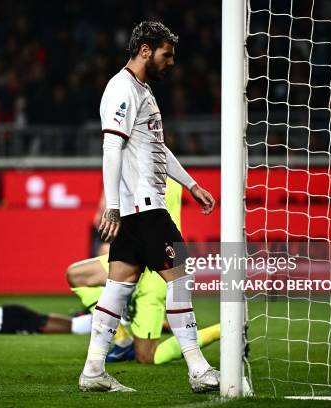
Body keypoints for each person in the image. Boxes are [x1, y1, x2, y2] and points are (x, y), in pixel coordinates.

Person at [78, 21, 217, 393]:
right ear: (145, 50)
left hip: (137, 209)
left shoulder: (144, 91)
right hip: (144, 207)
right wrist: (112, 206)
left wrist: (190, 184)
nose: (171, 61)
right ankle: (199, 369)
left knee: (117, 288)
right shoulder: (122, 88)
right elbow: (111, 148)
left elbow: (157, 149)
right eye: (166, 54)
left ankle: (93, 369)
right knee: (181, 276)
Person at [67, 177, 220, 365]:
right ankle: (122, 340)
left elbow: (106, 217)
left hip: (158, 261)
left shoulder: (135, 171)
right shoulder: (166, 169)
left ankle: (227, 330)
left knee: (147, 356)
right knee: (77, 275)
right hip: (150, 253)